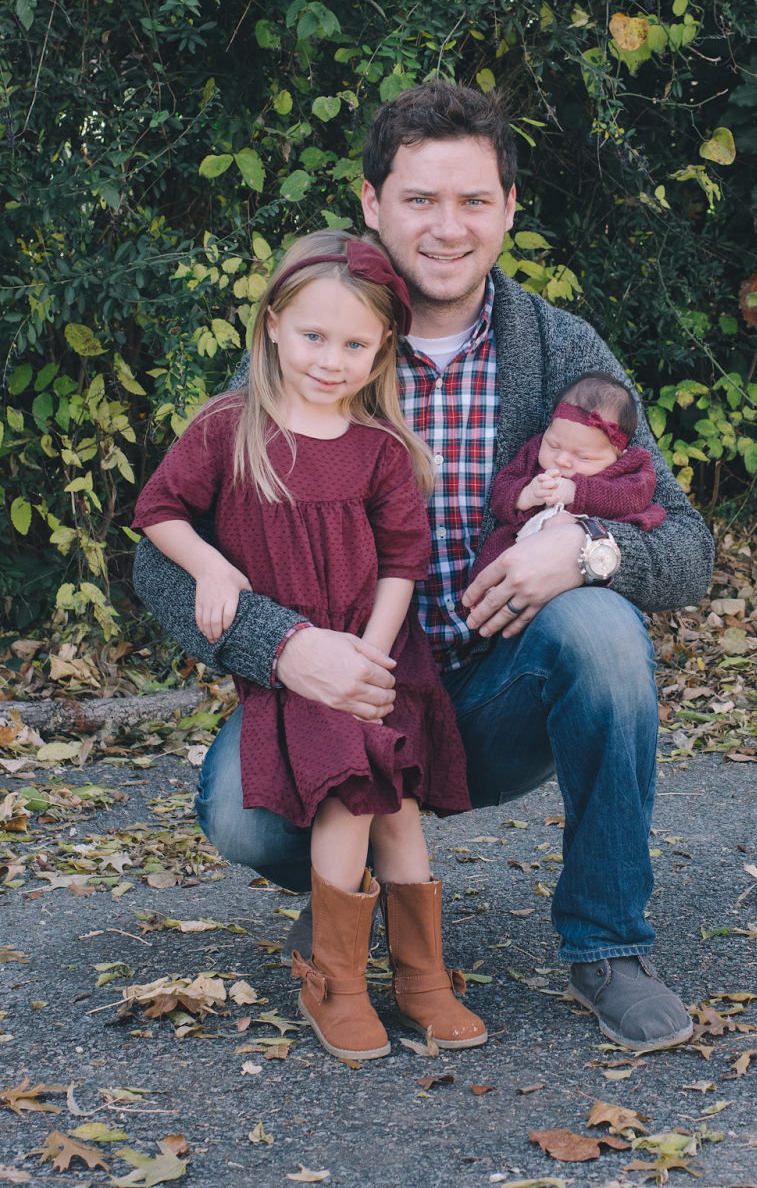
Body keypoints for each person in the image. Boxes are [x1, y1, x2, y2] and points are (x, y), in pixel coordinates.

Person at [133, 78, 715, 1053]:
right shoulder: (317, 341)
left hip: (492, 697)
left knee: (605, 632)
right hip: (340, 688)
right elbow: (160, 560)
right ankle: (347, 900)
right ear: (372, 203)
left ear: (510, 209)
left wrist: (586, 549)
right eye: (419, 199)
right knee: (236, 813)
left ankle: (608, 944)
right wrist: (284, 647)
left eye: (474, 200)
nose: (448, 227)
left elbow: (688, 548)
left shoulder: (560, 350)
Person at [133, 232, 486, 1065]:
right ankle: (337, 984)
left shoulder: (380, 448)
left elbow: (402, 561)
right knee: (349, 798)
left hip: (374, 654)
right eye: (313, 337)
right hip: (295, 669)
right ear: (271, 326)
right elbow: (158, 512)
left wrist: (368, 657)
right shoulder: (228, 428)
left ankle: (422, 980)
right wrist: (210, 565)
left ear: (382, 348)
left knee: (396, 806)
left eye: (354, 344)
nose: (331, 360)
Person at [470, 371, 666, 581]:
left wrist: (577, 492)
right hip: (515, 551)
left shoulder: (629, 466)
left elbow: (634, 499)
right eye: (553, 445)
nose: (562, 460)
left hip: (583, 569)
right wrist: (525, 495)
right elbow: (501, 491)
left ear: (619, 456)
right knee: (489, 584)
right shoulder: (533, 452)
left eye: (582, 456)